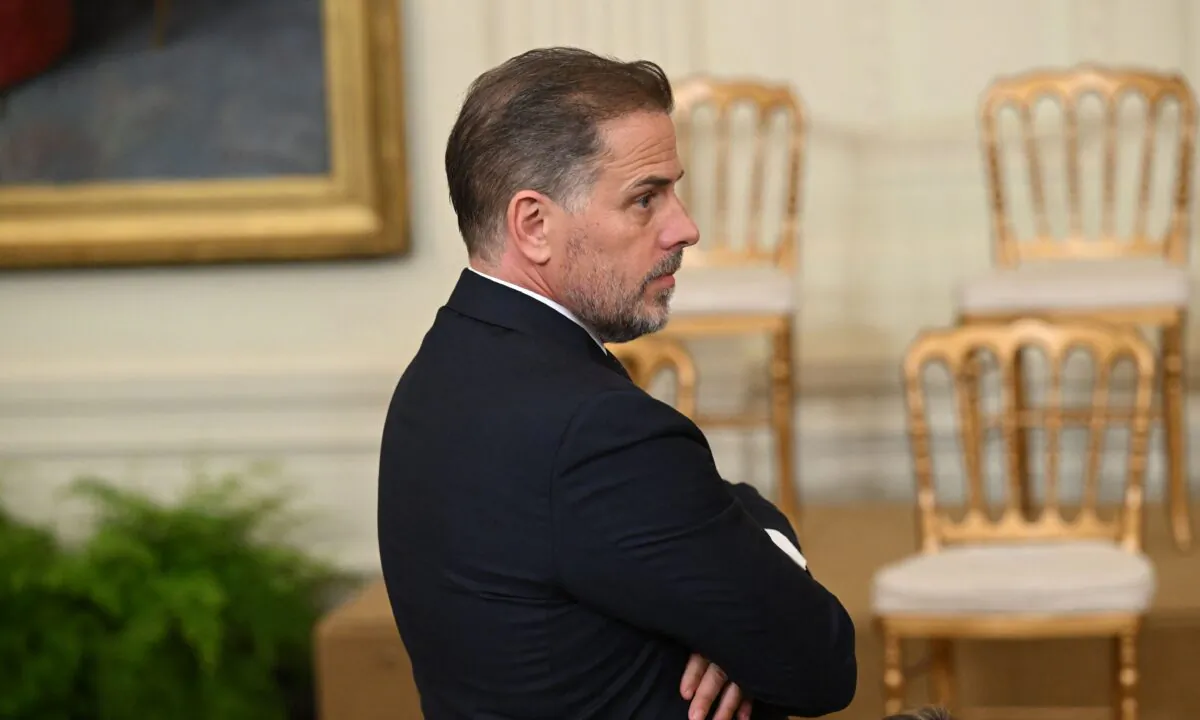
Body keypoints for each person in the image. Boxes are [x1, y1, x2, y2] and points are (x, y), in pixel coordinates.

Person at [377, 46, 857, 720]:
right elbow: (819, 665)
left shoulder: (439, 371)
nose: (685, 228)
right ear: (534, 225)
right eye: (645, 199)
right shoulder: (598, 431)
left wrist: (738, 575)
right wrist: (754, 582)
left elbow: (696, 510)